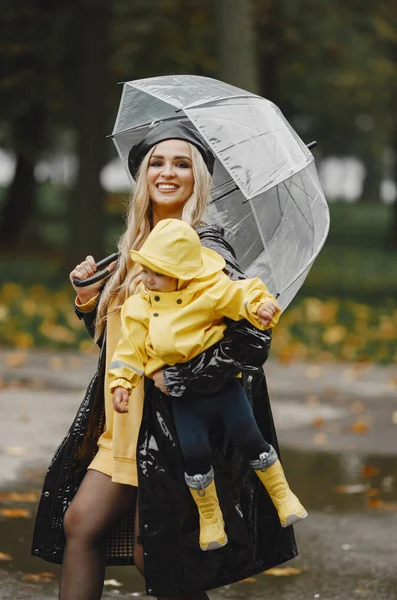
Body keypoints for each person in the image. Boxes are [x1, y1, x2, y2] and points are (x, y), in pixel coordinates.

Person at [31, 120, 298, 599]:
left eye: (181, 163)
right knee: (81, 523)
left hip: (173, 424)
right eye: (157, 162)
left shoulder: (205, 247)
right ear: (142, 176)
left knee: (156, 554)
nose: (167, 172)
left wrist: (177, 376)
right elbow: (125, 342)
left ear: (198, 178)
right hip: (124, 421)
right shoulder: (137, 245)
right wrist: (89, 300)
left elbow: (250, 340)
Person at [109, 218, 307, 552]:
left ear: (180, 274)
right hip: (183, 398)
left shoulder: (208, 289)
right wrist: (121, 383)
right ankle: (210, 519)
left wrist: (260, 306)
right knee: (195, 453)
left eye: (155, 273)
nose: (146, 279)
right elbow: (130, 349)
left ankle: (283, 495)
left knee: (250, 436)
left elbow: (240, 293)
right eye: (144, 270)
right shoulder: (140, 307)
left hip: (223, 387)